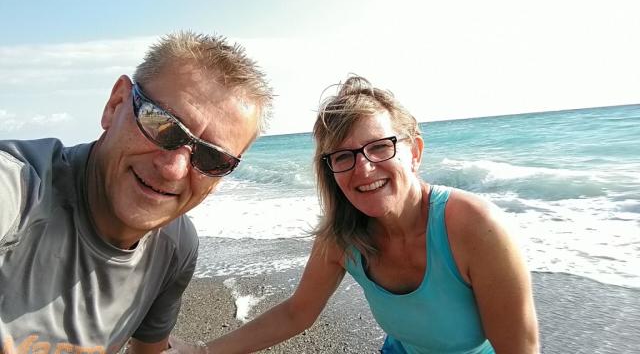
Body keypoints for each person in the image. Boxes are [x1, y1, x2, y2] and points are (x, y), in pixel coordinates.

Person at [168, 75, 539, 353]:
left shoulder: (475, 227)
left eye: (379, 147)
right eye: (344, 156)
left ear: (415, 152)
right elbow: (297, 313)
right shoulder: (342, 238)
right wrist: (203, 352)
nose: (363, 170)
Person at [0, 31, 272, 353]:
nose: (173, 168)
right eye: (162, 124)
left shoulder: (176, 246)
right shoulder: (19, 189)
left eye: (212, 157)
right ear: (115, 105)